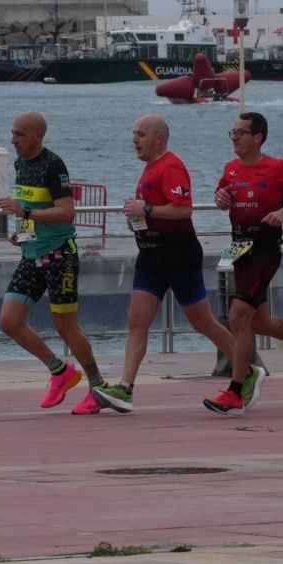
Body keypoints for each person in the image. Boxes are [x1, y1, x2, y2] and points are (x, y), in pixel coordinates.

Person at [89, 114, 238, 415]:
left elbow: (183, 210)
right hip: (150, 256)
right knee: (137, 320)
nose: (135, 140)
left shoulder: (171, 166)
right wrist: (138, 220)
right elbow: (155, 211)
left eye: (141, 134)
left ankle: (247, 368)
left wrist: (145, 208)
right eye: (134, 133)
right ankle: (125, 388)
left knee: (202, 322)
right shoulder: (149, 169)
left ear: (160, 138)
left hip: (178, 255)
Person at [206, 111, 283, 416]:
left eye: (240, 133)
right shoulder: (231, 168)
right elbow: (223, 197)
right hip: (239, 249)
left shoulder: (277, 167)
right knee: (260, 322)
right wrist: (221, 198)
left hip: (265, 250)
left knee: (237, 316)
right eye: (232, 132)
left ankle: (237, 390)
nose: (234, 138)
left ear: (257, 137)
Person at [0, 111, 105, 408]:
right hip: (32, 254)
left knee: (66, 327)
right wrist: (22, 234)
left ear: (37, 136)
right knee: (9, 321)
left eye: (19, 134)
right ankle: (59, 371)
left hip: (61, 254)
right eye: (12, 132)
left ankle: (99, 386)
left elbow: (66, 212)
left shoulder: (53, 165)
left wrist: (25, 215)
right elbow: (26, 205)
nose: (12, 139)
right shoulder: (20, 164)